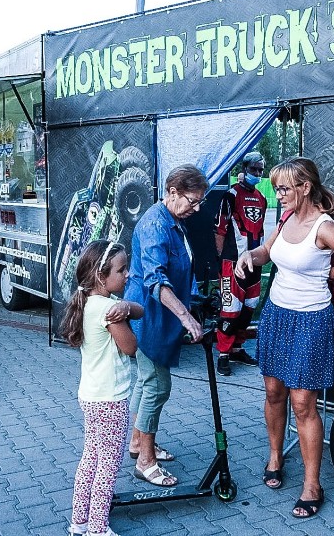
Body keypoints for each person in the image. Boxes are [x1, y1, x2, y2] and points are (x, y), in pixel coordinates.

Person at [235, 156, 334, 518]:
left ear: (305, 187)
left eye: (284, 188)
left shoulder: (324, 228)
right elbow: (268, 252)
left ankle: (312, 484)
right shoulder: (285, 218)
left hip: (312, 320)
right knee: (273, 392)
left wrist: (331, 273)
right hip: (277, 315)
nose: (278, 194)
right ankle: (274, 456)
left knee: (303, 403)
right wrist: (248, 256)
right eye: (277, 187)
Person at [124, 164, 207, 487]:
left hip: (159, 317)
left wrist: (193, 302)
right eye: (192, 200)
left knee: (147, 383)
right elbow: (156, 280)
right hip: (150, 317)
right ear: (172, 192)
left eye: (199, 201)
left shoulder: (173, 219)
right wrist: (186, 317)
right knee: (157, 386)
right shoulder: (155, 226)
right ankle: (146, 461)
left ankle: (137, 442)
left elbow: (182, 266)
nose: (196, 208)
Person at [60, 239, 141, 536]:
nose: (127, 275)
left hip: (90, 397)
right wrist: (122, 311)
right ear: (100, 275)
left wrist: (126, 305)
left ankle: (79, 522)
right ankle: (97, 529)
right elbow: (131, 347)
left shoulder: (88, 302)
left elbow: (140, 310)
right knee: (107, 466)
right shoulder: (108, 310)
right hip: (111, 399)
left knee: (90, 459)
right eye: (122, 270)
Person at [214, 151, 267, 376]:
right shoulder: (230, 195)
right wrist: (221, 261)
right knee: (230, 310)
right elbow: (219, 229)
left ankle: (237, 348)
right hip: (231, 262)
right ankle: (223, 354)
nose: (257, 174)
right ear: (244, 170)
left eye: (260, 170)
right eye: (253, 169)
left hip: (254, 262)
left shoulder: (262, 198)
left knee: (249, 308)